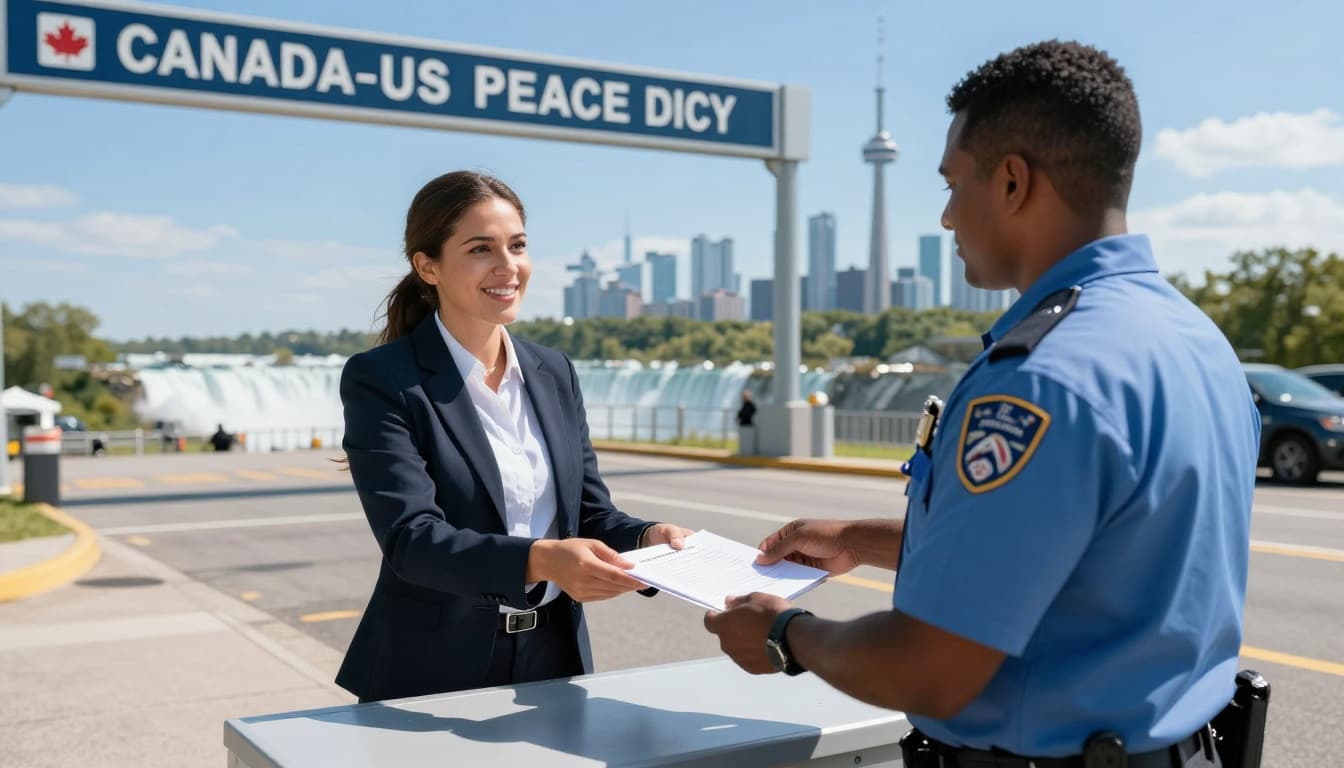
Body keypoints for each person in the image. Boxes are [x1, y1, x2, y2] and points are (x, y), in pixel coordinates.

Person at [704, 41, 1259, 767]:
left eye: (951, 183)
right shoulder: (1196, 342)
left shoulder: (1042, 376)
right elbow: (1083, 550)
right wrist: (862, 540)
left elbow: (932, 669)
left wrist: (786, 634)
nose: (944, 218)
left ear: (1010, 183)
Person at [338, 171, 691, 703]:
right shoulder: (383, 379)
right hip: (429, 669)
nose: (508, 267)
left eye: (518, 245)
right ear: (427, 265)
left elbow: (589, 514)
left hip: (554, 661)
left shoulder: (553, 372)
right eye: (481, 249)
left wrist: (649, 539)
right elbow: (412, 539)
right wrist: (544, 560)